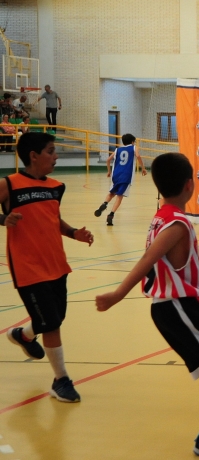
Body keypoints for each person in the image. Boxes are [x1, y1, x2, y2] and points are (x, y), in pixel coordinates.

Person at [95, 153, 199, 459]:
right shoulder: (177, 223)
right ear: (189, 185)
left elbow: (189, 264)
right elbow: (148, 259)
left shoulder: (163, 217)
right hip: (180, 305)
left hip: (176, 306)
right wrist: (118, 294)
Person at [2, 132, 94, 403]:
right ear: (34, 156)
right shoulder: (9, 184)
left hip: (55, 263)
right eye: (51, 151)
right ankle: (60, 380)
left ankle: (24, 335)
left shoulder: (56, 186)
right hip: (28, 267)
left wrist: (74, 232)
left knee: (54, 318)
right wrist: (3, 219)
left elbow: (54, 219)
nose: (56, 157)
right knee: (51, 323)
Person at [93, 133, 147, 226]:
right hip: (126, 175)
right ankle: (111, 215)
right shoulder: (134, 147)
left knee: (111, 192)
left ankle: (105, 203)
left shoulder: (117, 149)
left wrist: (109, 172)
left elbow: (108, 160)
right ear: (132, 142)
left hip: (116, 174)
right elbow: (138, 156)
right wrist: (143, 168)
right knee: (119, 196)